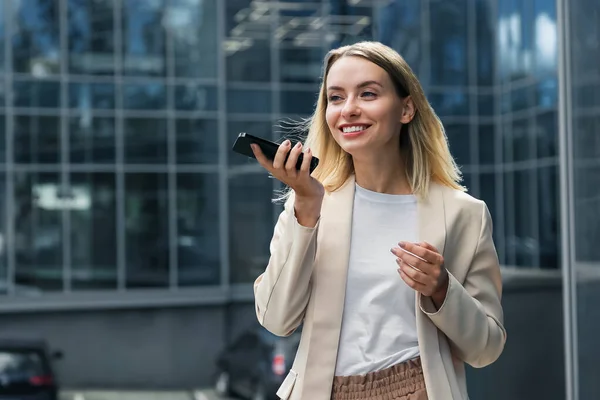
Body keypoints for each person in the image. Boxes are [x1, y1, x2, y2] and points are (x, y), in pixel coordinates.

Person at [251, 41, 506, 400]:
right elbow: (276, 319)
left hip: (418, 388)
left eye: (368, 94)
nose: (349, 110)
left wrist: (442, 289)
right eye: (336, 98)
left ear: (406, 108)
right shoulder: (309, 201)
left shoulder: (463, 213)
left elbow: (487, 347)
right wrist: (306, 208)